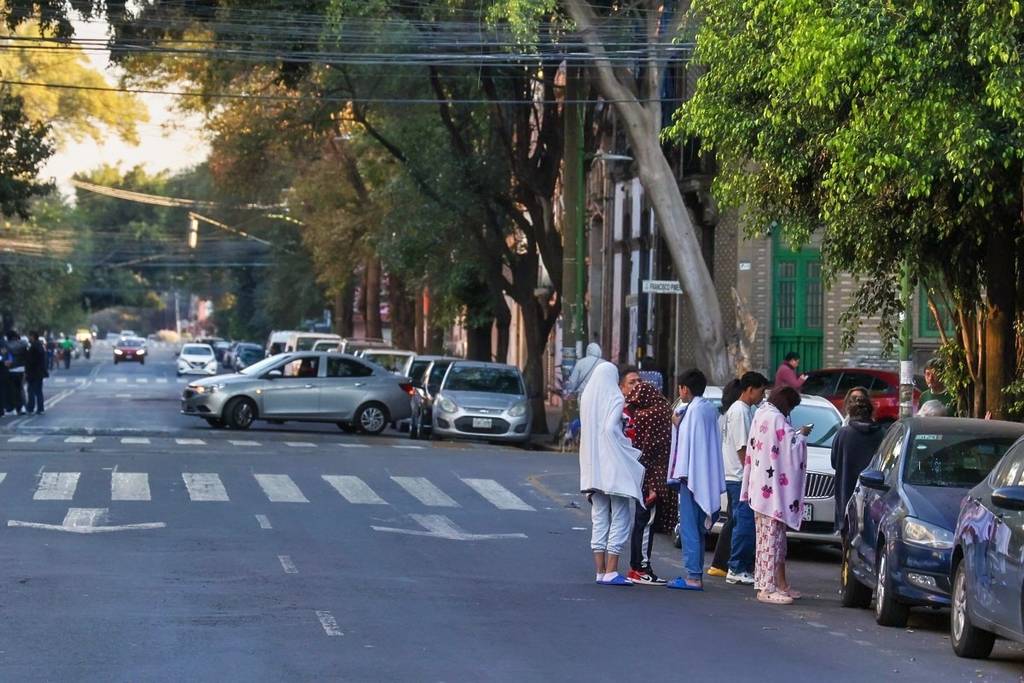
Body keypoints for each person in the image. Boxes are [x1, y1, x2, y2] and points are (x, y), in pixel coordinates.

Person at [742, 387, 810, 605]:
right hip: (774, 494)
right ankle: (767, 588)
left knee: (766, 541)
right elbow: (791, 449)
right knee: (772, 542)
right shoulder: (777, 419)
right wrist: (802, 436)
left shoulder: (761, 413)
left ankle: (771, 584)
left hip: (761, 488)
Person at [579, 361, 645, 586]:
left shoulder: (586, 399)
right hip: (613, 466)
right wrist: (625, 445)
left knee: (599, 517)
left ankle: (599, 571)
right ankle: (612, 570)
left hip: (591, 467)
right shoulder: (615, 398)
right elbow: (609, 429)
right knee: (620, 515)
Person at [666, 369, 725, 591]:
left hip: (691, 477)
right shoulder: (708, 409)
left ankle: (693, 576)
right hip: (704, 476)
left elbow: (686, 444)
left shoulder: (692, 412)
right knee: (698, 528)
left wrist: (676, 424)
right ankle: (695, 573)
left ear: (685, 389)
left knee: (689, 527)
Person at [708, 371, 769, 584]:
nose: (762, 397)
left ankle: (736, 565)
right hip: (739, 476)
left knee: (737, 521)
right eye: (761, 392)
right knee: (744, 524)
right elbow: (743, 448)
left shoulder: (736, 410)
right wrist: (752, 474)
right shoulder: (741, 411)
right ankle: (737, 566)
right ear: (750, 390)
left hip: (734, 475)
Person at [623, 377, 675, 586]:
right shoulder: (661, 412)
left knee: (640, 522)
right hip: (653, 477)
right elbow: (655, 452)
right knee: (646, 523)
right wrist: (654, 485)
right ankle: (641, 568)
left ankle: (636, 567)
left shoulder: (641, 415)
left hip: (640, 474)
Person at [831, 390, 885, 532]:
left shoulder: (843, 433)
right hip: (873, 496)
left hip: (846, 494)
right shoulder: (881, 434)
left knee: (847, 539)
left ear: (850, 411)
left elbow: (833, 462)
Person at [25, 331, 47, 415]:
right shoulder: (40, 345)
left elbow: (31, 361)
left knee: (31, 390)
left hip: (33, 372)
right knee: (38, 391)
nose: (28, 338)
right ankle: (40, 408)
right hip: (39, 372)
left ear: (33, 336)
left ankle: (30, 407)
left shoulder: (33, 347)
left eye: (29, 336)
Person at [6, 331, 27, 415]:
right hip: (22, 369)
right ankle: (22, 407)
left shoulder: (6, 345)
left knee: (12, 390)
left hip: (11, 369)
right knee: (21, 389)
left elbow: (2, 357)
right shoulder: (23, 344)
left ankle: (14, 407)